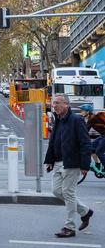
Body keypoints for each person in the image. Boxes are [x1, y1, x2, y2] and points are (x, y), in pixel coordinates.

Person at [44, 94, 93, 237]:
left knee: (68, 193)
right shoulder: (58, 120)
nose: (54, 106)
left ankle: (69, 227)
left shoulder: (76, 120)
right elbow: (53, 142)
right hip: (59, 162)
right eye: (53, 104)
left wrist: (85, 165)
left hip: (72, 163)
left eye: (57, 103)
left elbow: (85, 144)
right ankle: (85, 211)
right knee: (56, 191)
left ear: (66, 104)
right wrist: (50, 161)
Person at [77, 103, 105, 174]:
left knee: (99, 151)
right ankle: (98, 164)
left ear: (87, 112)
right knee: (92, 149)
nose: (81, 112)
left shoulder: (92, 118)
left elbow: (85, 131)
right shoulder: (91, 117)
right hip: (102, 135)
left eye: (82, 111)